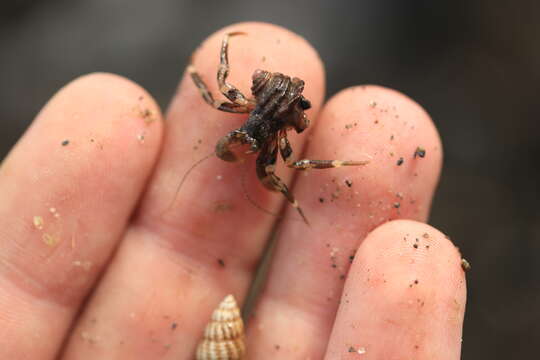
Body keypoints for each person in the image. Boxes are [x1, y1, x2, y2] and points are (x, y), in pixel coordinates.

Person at [0, 22, 466, 359]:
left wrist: (225, 63)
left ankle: (301, 195)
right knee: (283, 168)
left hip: (266, 107)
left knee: (283, 169)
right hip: (266, 109)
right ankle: (297, 198)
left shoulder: (257, 119)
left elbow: (225, 97)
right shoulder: (259, 125)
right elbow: (221, 97)